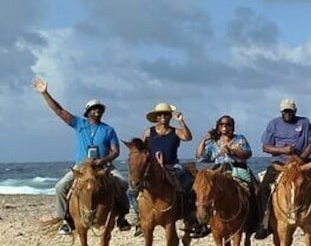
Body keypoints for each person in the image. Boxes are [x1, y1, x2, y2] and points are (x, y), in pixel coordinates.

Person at [31, 77, 131, 234]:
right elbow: (59, 111)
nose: (97, 111)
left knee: (123, 183)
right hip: (82, 167)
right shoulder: (79, 124)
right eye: (94, 109)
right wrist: (45, 93)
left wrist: (103, 161)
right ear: (88, 112)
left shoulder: (108, 130)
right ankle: (66, 220)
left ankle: (122, 218)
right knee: (60, 187)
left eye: (99, 109)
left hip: (103, 166)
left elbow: (115, 151)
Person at [255, 98, 311, 240]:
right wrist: (283, 150)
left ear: (295, 111)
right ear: (281, 111)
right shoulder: (273, 124)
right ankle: (264, 224)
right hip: (281, 162)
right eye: (284, 111)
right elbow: (265, 147)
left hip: (301, 161)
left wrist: (300, 159)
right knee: (263, 190)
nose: (287, 113)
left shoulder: (304, 122)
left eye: (289, 111)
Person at [133, 102, 204, 236]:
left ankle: (191, 217)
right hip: (153, 167)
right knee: (133, 191)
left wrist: (181, 122)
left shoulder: (175, 131)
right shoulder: (149, 132)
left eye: (166, 114)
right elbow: (142, 150)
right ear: (156, 117)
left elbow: (188, 137)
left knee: (189, 184)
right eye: (160, 114)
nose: (163, 117)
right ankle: (140, 219)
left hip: (172, 165)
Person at [195, 114, 256, 184]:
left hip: (237, 169)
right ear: (218, 127)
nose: (224, 126)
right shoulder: (214, 143)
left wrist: (232, 152)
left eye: (228, 124)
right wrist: (204, 140)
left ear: (232, 127)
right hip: (218, 170)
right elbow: (199, 157)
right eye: (221, 124)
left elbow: (248, 153)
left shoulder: (240, 139)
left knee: (250, 187)